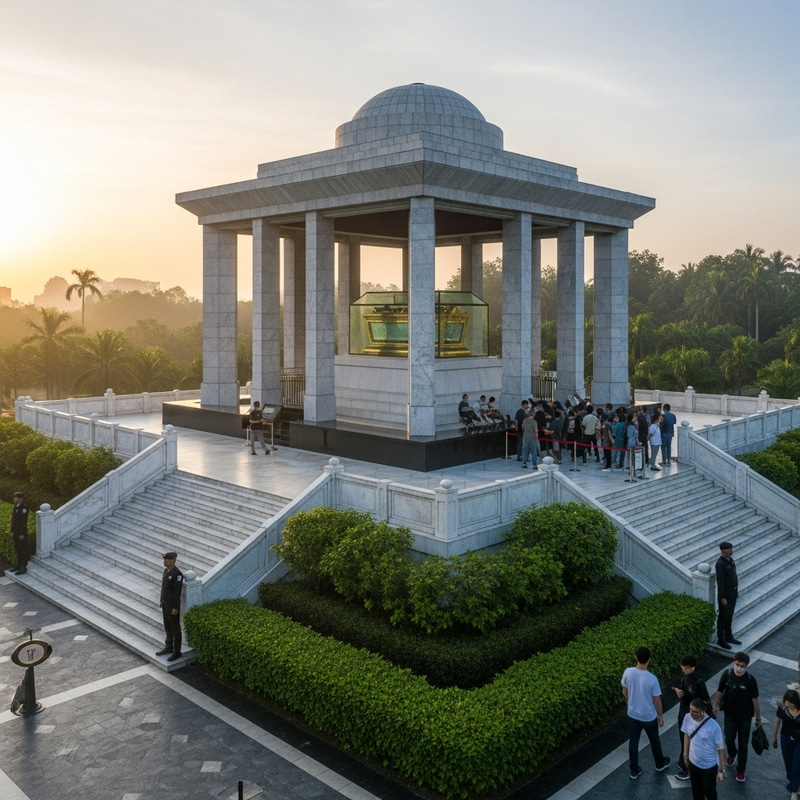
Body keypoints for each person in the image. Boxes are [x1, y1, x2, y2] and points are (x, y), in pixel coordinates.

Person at [621, 646, 671, 779]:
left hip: (632, 714)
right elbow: (657, 700)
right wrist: (660, 715)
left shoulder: (628, 672)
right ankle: (660, 763)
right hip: (648, 716)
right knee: (654, 740)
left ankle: (634, 770)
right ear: (649, 659)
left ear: (635, 657)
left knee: (633, 741)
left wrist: (632, 702)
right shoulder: (652, 679)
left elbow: (625, 691)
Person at [712, 650, 761, 783]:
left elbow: (755, 699)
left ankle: (740, 770)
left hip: (745, 717)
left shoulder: (750, 680)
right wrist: (715, 705)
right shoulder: (727, 674)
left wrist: (758, 718)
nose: (739, 668)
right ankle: (732, 752)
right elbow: (720, 690)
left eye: (742, 666)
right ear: (734, 663)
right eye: (737, 664)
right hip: (730, 715)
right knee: (729, 737)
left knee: (743, 744)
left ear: (747, 667)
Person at [671, 654, 712, 780]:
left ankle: (688, 768)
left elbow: (705, 700)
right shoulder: (685, 677)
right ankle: (684, 762)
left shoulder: (698, 681)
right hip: (684, 713)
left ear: (692, 667)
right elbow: (680, 689)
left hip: (693, 716)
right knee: (684, 740)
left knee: (688, 742)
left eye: (686, 667)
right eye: (683, 667)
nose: (684, 670)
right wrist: (678, 692)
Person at [681, 697, 726, 800]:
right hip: (693, 763)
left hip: (709, 766)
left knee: (710, 792)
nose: (693, 714)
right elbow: (687, 735)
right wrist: (685, 754)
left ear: (703, 710)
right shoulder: (687, 717)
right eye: (691, 710)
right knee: (696, 792)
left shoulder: (714, 726)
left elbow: (720, 749)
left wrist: (721, 770)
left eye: (696, 712)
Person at [772, 688, 800, 800]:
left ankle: (794, 791)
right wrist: (774, 737)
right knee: (788, 764)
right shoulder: (783, 709)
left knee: (796, 764)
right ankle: (795, 783)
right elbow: (777, 721)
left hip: (799, 741)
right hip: (786, 739)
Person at [157, 551, 184, 662]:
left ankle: (177, 651)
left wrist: (175, 607)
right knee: (167, 626)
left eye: (167, 560)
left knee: (175, 628)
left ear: (173, 560)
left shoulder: (177, 574)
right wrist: (161, 600)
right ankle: (168, 646)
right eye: (164, 559)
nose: (165, 561)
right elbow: (163, 587)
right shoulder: (166, 571)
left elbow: (177, 593)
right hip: (165, 603)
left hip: (172, 605)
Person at [715, 541, 740, 649]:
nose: (731, 551)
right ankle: (721, 639)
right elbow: (720, 582)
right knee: (723, 617)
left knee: (729, 616)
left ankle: (728, 636)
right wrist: (722, 597)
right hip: (726, 595)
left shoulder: (730, 560)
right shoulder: (720, 564)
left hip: (732, 593)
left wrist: (736, 591)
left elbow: (734, 577)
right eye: (729, 549)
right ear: (723, 551)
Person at [10, 491, 30, 575]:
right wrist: (12, 530)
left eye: (17, 498)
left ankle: (23, 566)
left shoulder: (24, 508)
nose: (15, 499)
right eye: (15, 497)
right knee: (17, 549)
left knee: (22, 550)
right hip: (16, 532)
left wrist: (22, 533)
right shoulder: (16, 507)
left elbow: (23, 522)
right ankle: (19, 565)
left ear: (21, 499)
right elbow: (14, 520)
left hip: (21, 533)